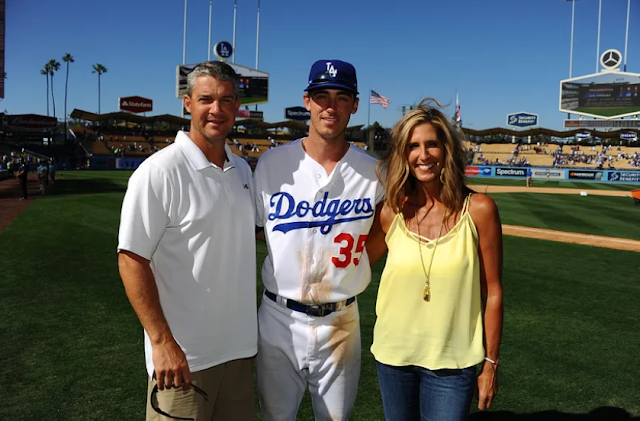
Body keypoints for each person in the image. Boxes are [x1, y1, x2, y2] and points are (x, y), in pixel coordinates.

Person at [117, 61, 257, 421]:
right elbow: (131, 259)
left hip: (239, 354)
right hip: (183, 361)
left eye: (227, 100)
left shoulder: (241, 170)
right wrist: (162, 343)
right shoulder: (159, 171)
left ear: (237, 106)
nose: (217, 110)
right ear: (187, 103)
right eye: (206, 99)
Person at [254, 59, 384, 421]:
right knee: (275, 416)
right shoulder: (272, 164)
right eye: (321, 95)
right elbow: (256, 231)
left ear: (355, 105)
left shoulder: (374, 172)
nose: (331, 105)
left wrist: (353, 262)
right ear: (307, 101)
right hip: (279, 316)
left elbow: (386, 229)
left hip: (341, 320)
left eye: (342, 97)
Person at [366, 99, 503, 421]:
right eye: (413, 146)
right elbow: (354, 265)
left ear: (447, 149)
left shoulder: (480, 209)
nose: (423, 155)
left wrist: (490, 364)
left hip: (453, 364)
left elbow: (493, 292)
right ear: (402, 154)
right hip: (393, 357)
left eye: (432, 144)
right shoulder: (391, 211)